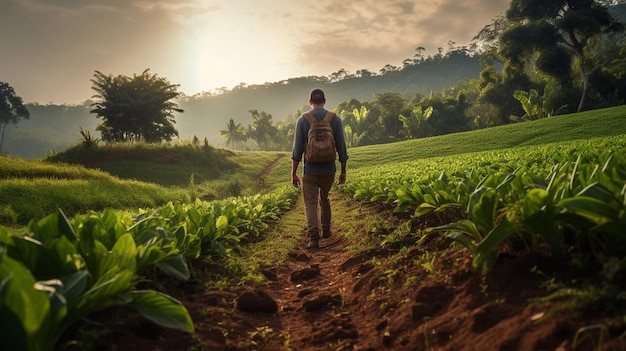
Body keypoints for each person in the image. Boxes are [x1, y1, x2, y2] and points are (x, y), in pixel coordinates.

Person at [291, 88, 348, 249]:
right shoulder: (334, 119)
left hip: (310, 170)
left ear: (310, 102)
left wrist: (294, 173)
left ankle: (314, 239)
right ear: (324, 101)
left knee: (310, 203)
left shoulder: (303, 120)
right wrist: (343, 169)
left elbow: (297, 151)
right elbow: (342, 147)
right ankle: (326, 229)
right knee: (324, 197)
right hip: (329, 170)